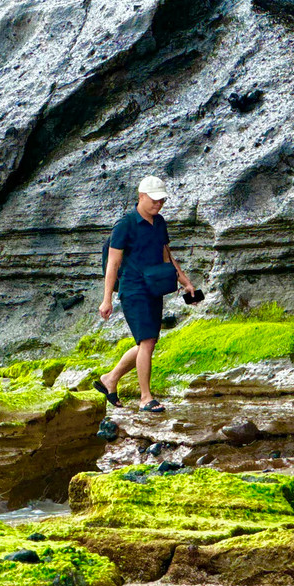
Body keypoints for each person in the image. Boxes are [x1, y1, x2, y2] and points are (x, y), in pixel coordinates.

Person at [95, 175, 195, 412]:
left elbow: (166, 255)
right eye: (154, 200)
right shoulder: (125, 225)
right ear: (141, 196)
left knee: (147, 343)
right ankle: (145, 398)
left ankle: (109, 379)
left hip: (154, 289)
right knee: (147, 341)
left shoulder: (159, 223)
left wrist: (185, 282)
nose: (158, 204)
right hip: (133, 290)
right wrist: (107, 298)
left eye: (161, 201)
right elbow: (113, 264)